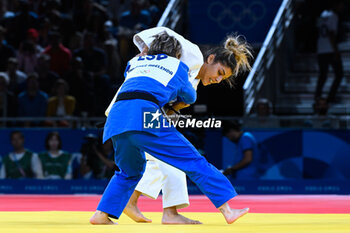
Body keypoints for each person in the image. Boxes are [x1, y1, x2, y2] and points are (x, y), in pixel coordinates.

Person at [90, 32, 249, 225]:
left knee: (128, 171)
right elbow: (190, 97)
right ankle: (227, 209)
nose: (217, 79)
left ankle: (101, 214)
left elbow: (135, 83)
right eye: (220, 74)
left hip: (116, 119)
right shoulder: (179, 66)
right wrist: (175, 103)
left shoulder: (135, 62)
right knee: (193, 161)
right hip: (145, 116)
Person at [315, 1, 344, 103]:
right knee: (339, 74)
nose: (342, 7)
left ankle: (317, 96)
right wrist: (336, 51)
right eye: (341, 4)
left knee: (323, 74)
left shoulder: (323, 14)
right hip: (329, 49)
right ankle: (330, 98)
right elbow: (331, 33)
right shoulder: (334, 16)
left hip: (320, 48)